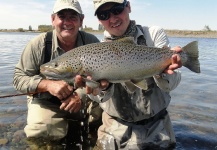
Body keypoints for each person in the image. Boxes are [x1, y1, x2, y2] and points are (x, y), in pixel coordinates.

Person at [75, 0, 183, 149]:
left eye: (117, 10)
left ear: (129, 7)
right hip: (113, 129)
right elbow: (100, 97)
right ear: (99, 19)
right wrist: (100, 90)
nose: (112, 19)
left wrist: (161, 72)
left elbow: (173, 82)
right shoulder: (96, 52)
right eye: (104, 14)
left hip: (157, 128)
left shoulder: (153, 34)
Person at [13, 0, 102, 144]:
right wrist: (47, 85)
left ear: (81, 20)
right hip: (48, 101)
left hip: (82, 99)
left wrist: (80, 96)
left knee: (101, 121)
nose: (67, 22)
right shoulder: (38, 45)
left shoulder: (91, 42)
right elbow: (18, 79)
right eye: (62, 16)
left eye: (73, 16)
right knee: (41, 133)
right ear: (53, 19)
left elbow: (101, 81)